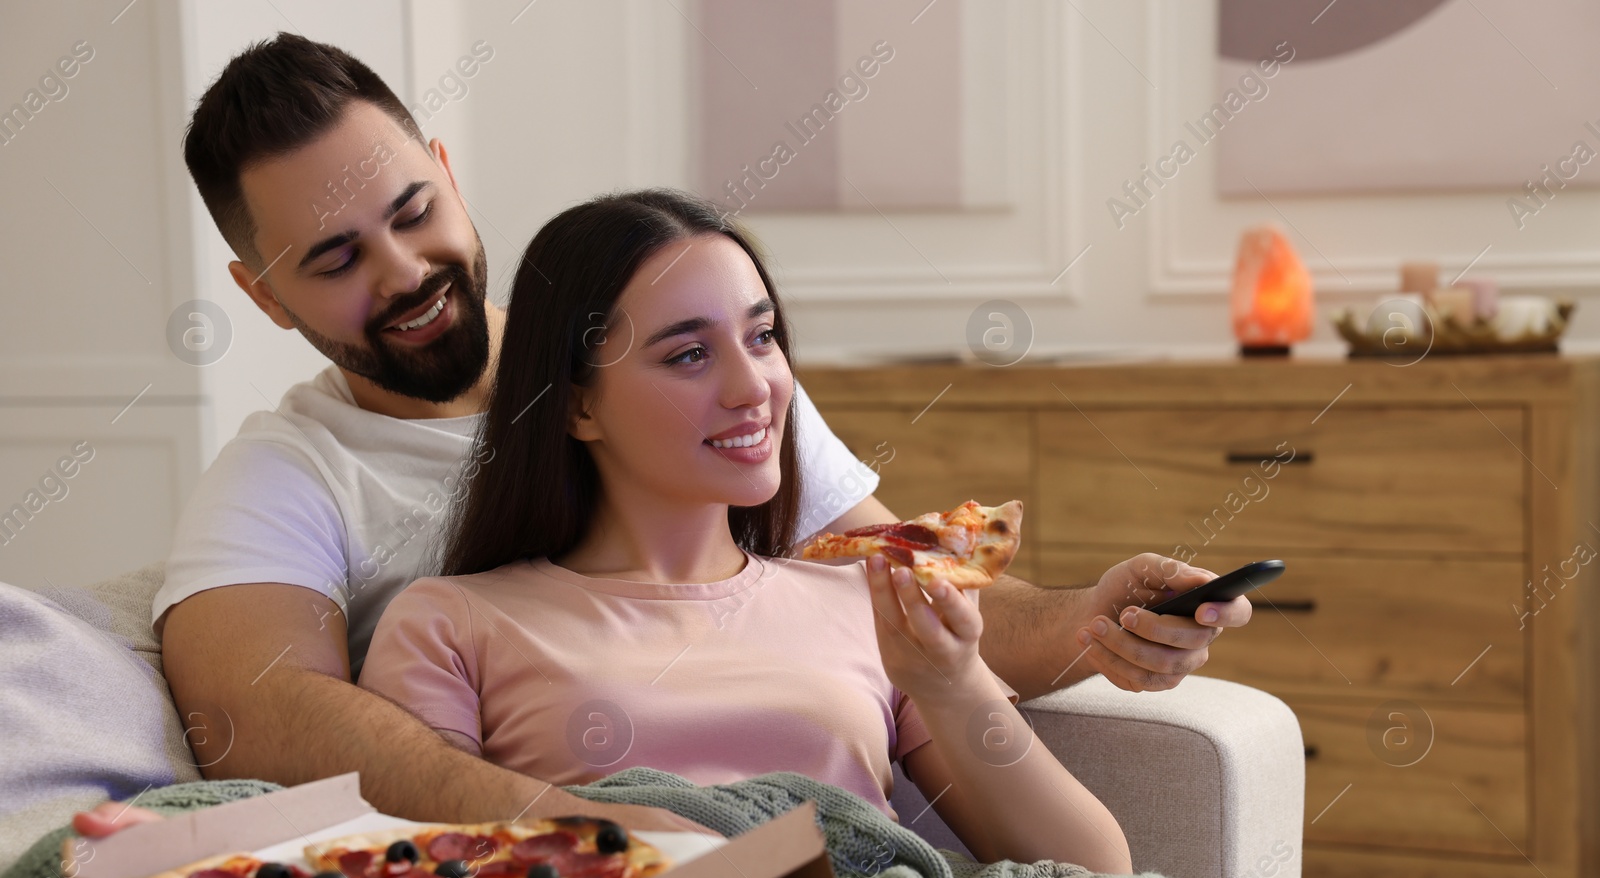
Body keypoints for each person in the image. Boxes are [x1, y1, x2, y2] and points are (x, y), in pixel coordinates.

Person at [148, 32, 1250, 832]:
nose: (403, 273)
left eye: (411, 212)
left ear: (446, 171)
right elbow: (259, 717)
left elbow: (895, 589)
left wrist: (1090, 619)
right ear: (263, 295)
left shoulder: (712, 368)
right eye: (335, 259)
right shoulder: (293, 483)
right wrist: (606, 841)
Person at [354, 188, 1131, 870]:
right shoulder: (450, 623)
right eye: (690, 354)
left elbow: (1093, 871)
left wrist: (951, 679)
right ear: (577, 406)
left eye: (762, 338)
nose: (752, 385)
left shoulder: (862, 601)